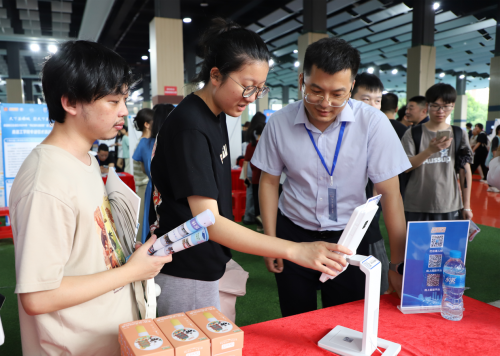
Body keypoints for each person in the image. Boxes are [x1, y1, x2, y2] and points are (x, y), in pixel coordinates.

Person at [149, 18, 351, 317]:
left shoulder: (214, 114)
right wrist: (293, 249)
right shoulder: (190, 125)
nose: (253, 97)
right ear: (215, 75)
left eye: (260, 88)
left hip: (205, 261)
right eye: (247, 87)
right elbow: (209, 222)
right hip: (186, 267)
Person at [10, 40, 172, 356]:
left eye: (123, 99)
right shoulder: (45, 182)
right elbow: (38, 296)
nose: (124, 111)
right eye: (113, 101)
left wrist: (129, 255)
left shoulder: (85, 159)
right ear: (70, 102)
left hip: (108, 335)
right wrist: (132, 271)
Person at [252, 36, 411, 317]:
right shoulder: (279, 122)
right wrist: (271, 240)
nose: (325, 103)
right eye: (315, 91)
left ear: (351, 86)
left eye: (338, 94)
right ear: (302, 80)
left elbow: (390, 193)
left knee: (347, 320)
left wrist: (397, 265)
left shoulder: (372, 123)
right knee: (296, 317)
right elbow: (268, 181)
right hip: (294, 234)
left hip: (350, 238)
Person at [401, 83, 473, 223]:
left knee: (447, 245)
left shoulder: (459, 134)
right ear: (428, 106)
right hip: (417, 204)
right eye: (435, 106)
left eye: (446, 106)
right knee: (416, 245)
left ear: (453, 106)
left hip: (449, 204)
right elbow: (405, 167)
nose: (441, 111)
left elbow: (465, 170)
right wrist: (429, 151)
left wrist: (467, 206)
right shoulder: (413, 133)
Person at [134, 104, 175, 243]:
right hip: (161, 189)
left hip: (151, 187)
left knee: (150, 221)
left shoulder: (145, 143)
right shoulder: (169, 142)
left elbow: (143, 169)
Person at [132, 108, 154, 242]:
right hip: (145, 188)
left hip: (143, 187)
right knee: (143, 222)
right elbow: (148, 170)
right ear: (146, 124)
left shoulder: (143, 142)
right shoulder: (145, 143)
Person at [242, 111, 266, 225]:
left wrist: (246, 177)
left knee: (253, 196)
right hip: (262, 174)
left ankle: (250, 218)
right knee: (261, 198)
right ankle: (258, 219)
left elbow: (246, 161)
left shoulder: (251, 143)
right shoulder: (265, 144)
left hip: (253, 173)